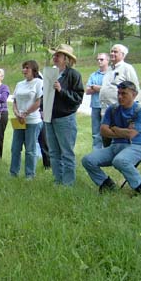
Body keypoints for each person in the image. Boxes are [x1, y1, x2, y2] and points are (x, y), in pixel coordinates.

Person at [82, 81, 141, 194]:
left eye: (124, 93)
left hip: (135, 147)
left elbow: (132, 134)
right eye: (118, 93)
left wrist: (114, 129)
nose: (120, 97)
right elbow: (103, 131)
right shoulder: (112, 109)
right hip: (115, 146)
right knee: (88, 160)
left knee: (120, 160)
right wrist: (123, 131)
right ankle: (107, 185)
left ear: (134, 94)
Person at [45, 44, 84, 186]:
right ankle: (58, 180)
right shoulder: (50, 73)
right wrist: (44, 109)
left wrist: (61, 90)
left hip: (65, 118)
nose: (54, 57)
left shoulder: (73, 75)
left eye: (58, 55)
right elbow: (46, 96)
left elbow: (78, 98)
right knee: (54, 152)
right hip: (50, 117)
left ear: (66, 59)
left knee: (66, 153)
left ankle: (68, 183)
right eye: (54, 55)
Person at [99, 44, 139, 147]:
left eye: (115, 52)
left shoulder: (127, 68)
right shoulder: (109, 69)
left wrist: (130, 110)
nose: (112, 53)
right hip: (106, 111)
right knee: (106, 141)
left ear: (123, 55)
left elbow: (135, 90)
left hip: (120, 112)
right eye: (111, 51)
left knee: (120, 140)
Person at [10, 60, 43, 179]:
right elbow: (14, 101)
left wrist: (26, 113)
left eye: (27, 68)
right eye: (23, 68)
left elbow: (39, 101)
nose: (24, 70)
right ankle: (13, 173)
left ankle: (30, 174)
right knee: (15, 148)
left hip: (33, 121)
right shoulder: (19, 84)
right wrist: (17, 113)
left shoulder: (38, 83)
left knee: (30, 149)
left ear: (34, 70)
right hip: (19, 120)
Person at [86, 53, 109, 149]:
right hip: (95, 106)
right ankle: (96, 152)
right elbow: (87, 90)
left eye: (102, 59)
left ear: (107, 60)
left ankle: (108, 152)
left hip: (107, 107)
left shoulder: (111, 74)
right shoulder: (93, 75)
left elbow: (111, 90)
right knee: (96, 132)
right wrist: (100, 88)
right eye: (98, 59)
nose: (99, 61)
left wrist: (96, 87)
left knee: (107, 131)